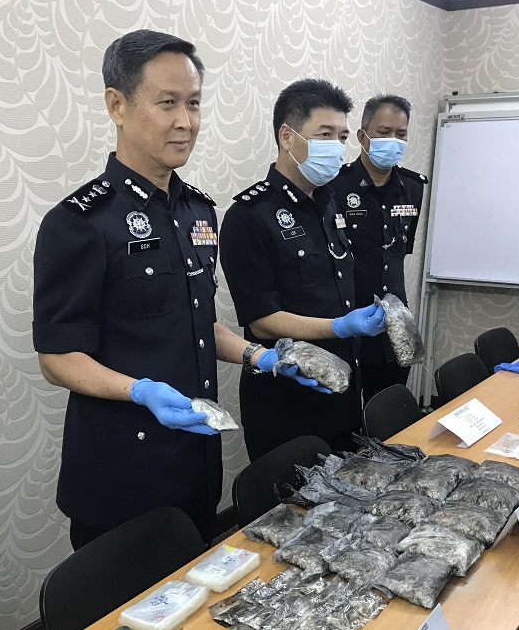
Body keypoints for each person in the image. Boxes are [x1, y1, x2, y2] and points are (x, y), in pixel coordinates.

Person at [33, 30, 322, 550]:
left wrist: (264, 358)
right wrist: (139, 390)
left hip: (194, 461)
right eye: (167, 103)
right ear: (116, 105)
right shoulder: (80, 223)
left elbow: (196, 320)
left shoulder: (197, 211)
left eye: (193, 104)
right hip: (122, 473)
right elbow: (57, 358)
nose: (185, 121)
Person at [218, 79, 387, 461]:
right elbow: (262, 321)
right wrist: (340, 326)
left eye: (342, 137)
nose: (336, 147)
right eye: (324, 134)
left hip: (344, 390)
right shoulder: (249, 216)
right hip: (288, 400)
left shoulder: (330, 204)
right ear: (286, 136)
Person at [329, 95, 428, 404]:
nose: (393, 141)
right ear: (362, 136)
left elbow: (398, 252)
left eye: (401, 135)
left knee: (388, 418)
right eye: (384, 132)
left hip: (395, 327)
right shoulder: (335, 186)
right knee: (344, 422)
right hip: (349, 323)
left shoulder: (412, 188)